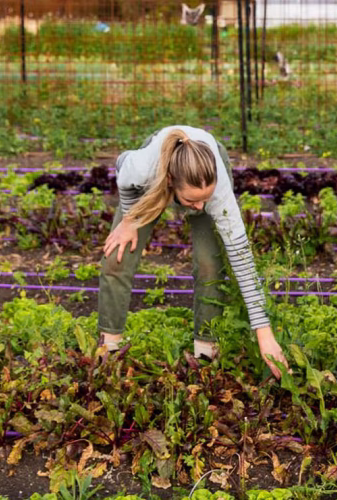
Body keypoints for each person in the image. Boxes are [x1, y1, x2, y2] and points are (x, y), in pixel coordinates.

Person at [98, 126, 288, 378]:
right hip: (157, 173)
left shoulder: (216, 191)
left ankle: (205, 355)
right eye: (192, 202)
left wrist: (265, 336)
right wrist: (129, 219)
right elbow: (122, 170)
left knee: (210, 263)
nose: (199, 207)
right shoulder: (143, 168)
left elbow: (242, 260)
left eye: (203, 201)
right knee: (117, 255)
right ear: (170, 183)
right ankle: (108, 350)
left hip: (203, 166)